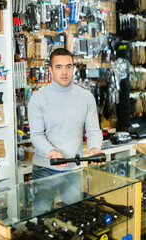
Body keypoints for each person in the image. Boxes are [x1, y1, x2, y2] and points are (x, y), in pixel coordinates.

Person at [28, 48, 103, 216]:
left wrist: (94, 148)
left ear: (73, 68)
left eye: (69, 67)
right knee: (42, 214)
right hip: (45, 168)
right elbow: (36, 135)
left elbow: (93, 130)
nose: (64, 72)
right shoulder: (38, 98)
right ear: (50, 70)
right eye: (59, 67)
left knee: (73, 215)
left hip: (73, 168)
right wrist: (52, 151)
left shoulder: (86, 97)